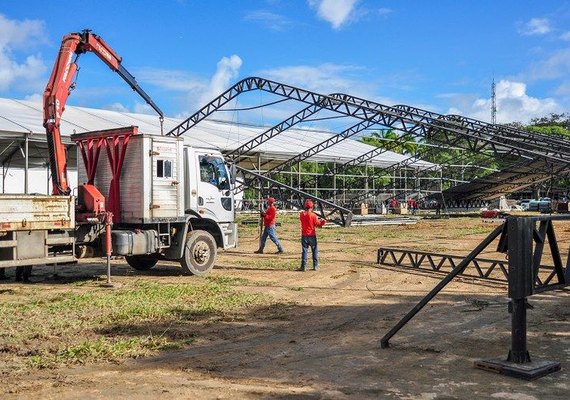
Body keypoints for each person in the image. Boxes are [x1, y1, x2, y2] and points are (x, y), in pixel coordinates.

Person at [299, 200, 327, 271]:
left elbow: (305, 218)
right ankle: (315, 266)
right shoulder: (313, 215)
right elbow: (318, 224)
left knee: (304, 251)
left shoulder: (302, 214)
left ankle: (303, 266)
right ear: (312, 207)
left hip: (304, 235)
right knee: (314, 250)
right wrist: (324, 221)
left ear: (305, 207)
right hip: (312, 235)